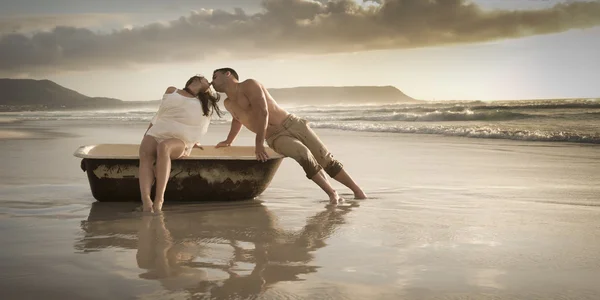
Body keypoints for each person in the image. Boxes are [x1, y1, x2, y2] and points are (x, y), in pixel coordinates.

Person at [211, 68, 367, 204]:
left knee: (325, 158)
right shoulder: (228, 103)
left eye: (215, 76)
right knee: (302, 154)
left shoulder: (249, 84)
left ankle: (358, 192)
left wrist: (258, 144)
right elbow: (238, 120)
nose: (212, 81)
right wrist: (229, 140)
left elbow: (263, 112)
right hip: (275, 137)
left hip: (292, 123)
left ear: (228, 74)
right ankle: (332, 193)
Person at [138, 75, 223, 213]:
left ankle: (159, 199)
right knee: (145, 153)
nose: (210, 83)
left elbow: (201, 123)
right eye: (207, 80)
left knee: (163, 147)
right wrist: (147, 133)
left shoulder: (204, 101)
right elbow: (159, 114)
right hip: (157, 131)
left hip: (179, 140)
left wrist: (193, 142)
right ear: (197, 79)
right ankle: (146, 200)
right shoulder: (172, 90)